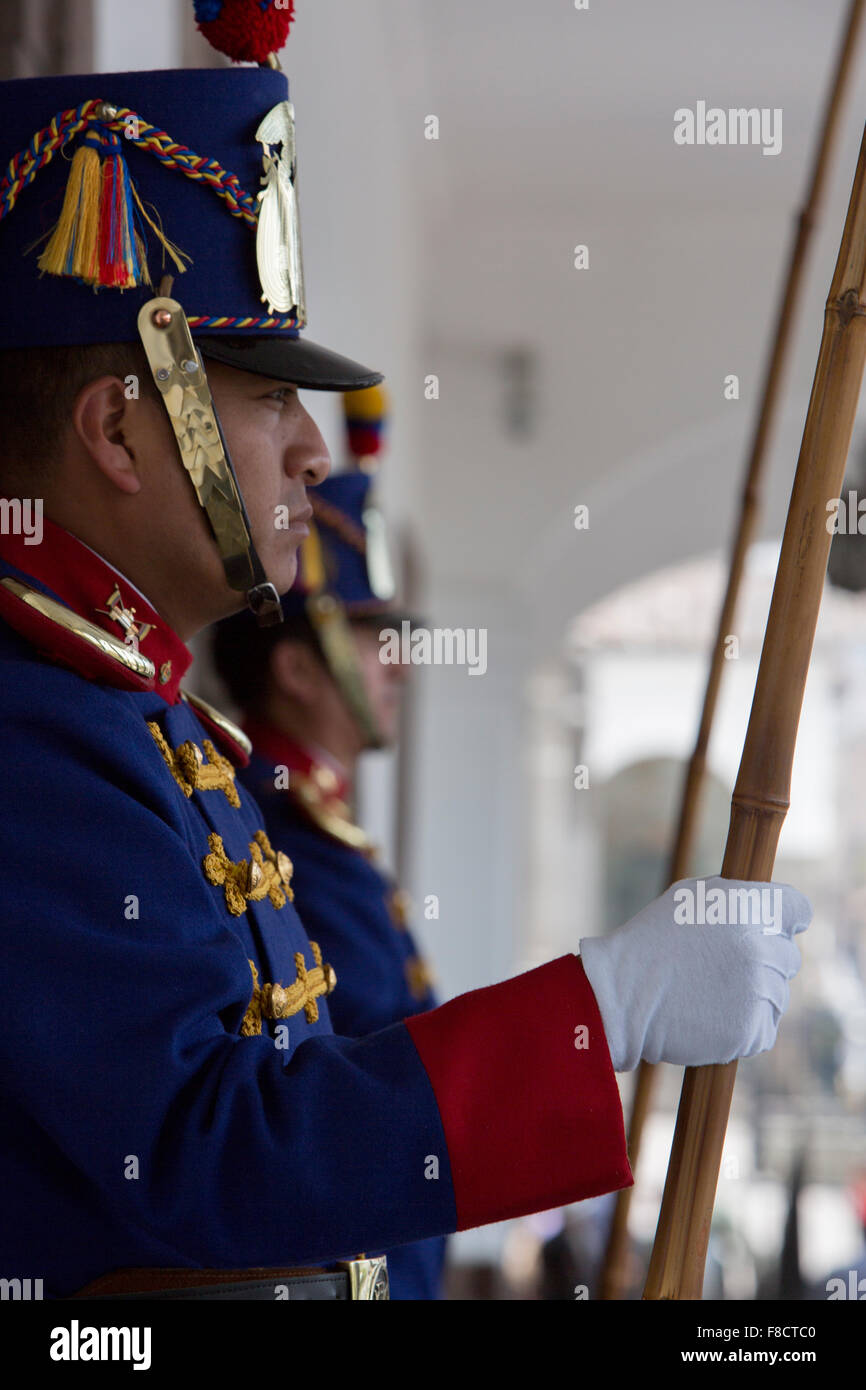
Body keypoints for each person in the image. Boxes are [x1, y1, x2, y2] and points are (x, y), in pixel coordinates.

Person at [0, 1, 811, 1301]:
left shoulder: (141, 723)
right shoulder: (35, 737)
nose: (310, 454)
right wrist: (595, 1010)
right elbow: (216, 1152)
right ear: (117, 431)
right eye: (268, 397)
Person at [212, 395, 445, 1297]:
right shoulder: (269, 823)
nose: (400, 665)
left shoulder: (320, 824)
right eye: (373, 636)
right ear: (298, 666)